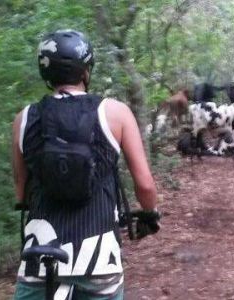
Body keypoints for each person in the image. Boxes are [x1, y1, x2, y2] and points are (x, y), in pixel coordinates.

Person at [11, 29, 158, 299]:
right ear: (85, 71)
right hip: (98, 259)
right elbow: (145, 185)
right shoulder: (116, 113)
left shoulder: (24, 118)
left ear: (46, 72)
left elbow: (22, 192)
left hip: (40, 260)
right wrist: (150, 213)